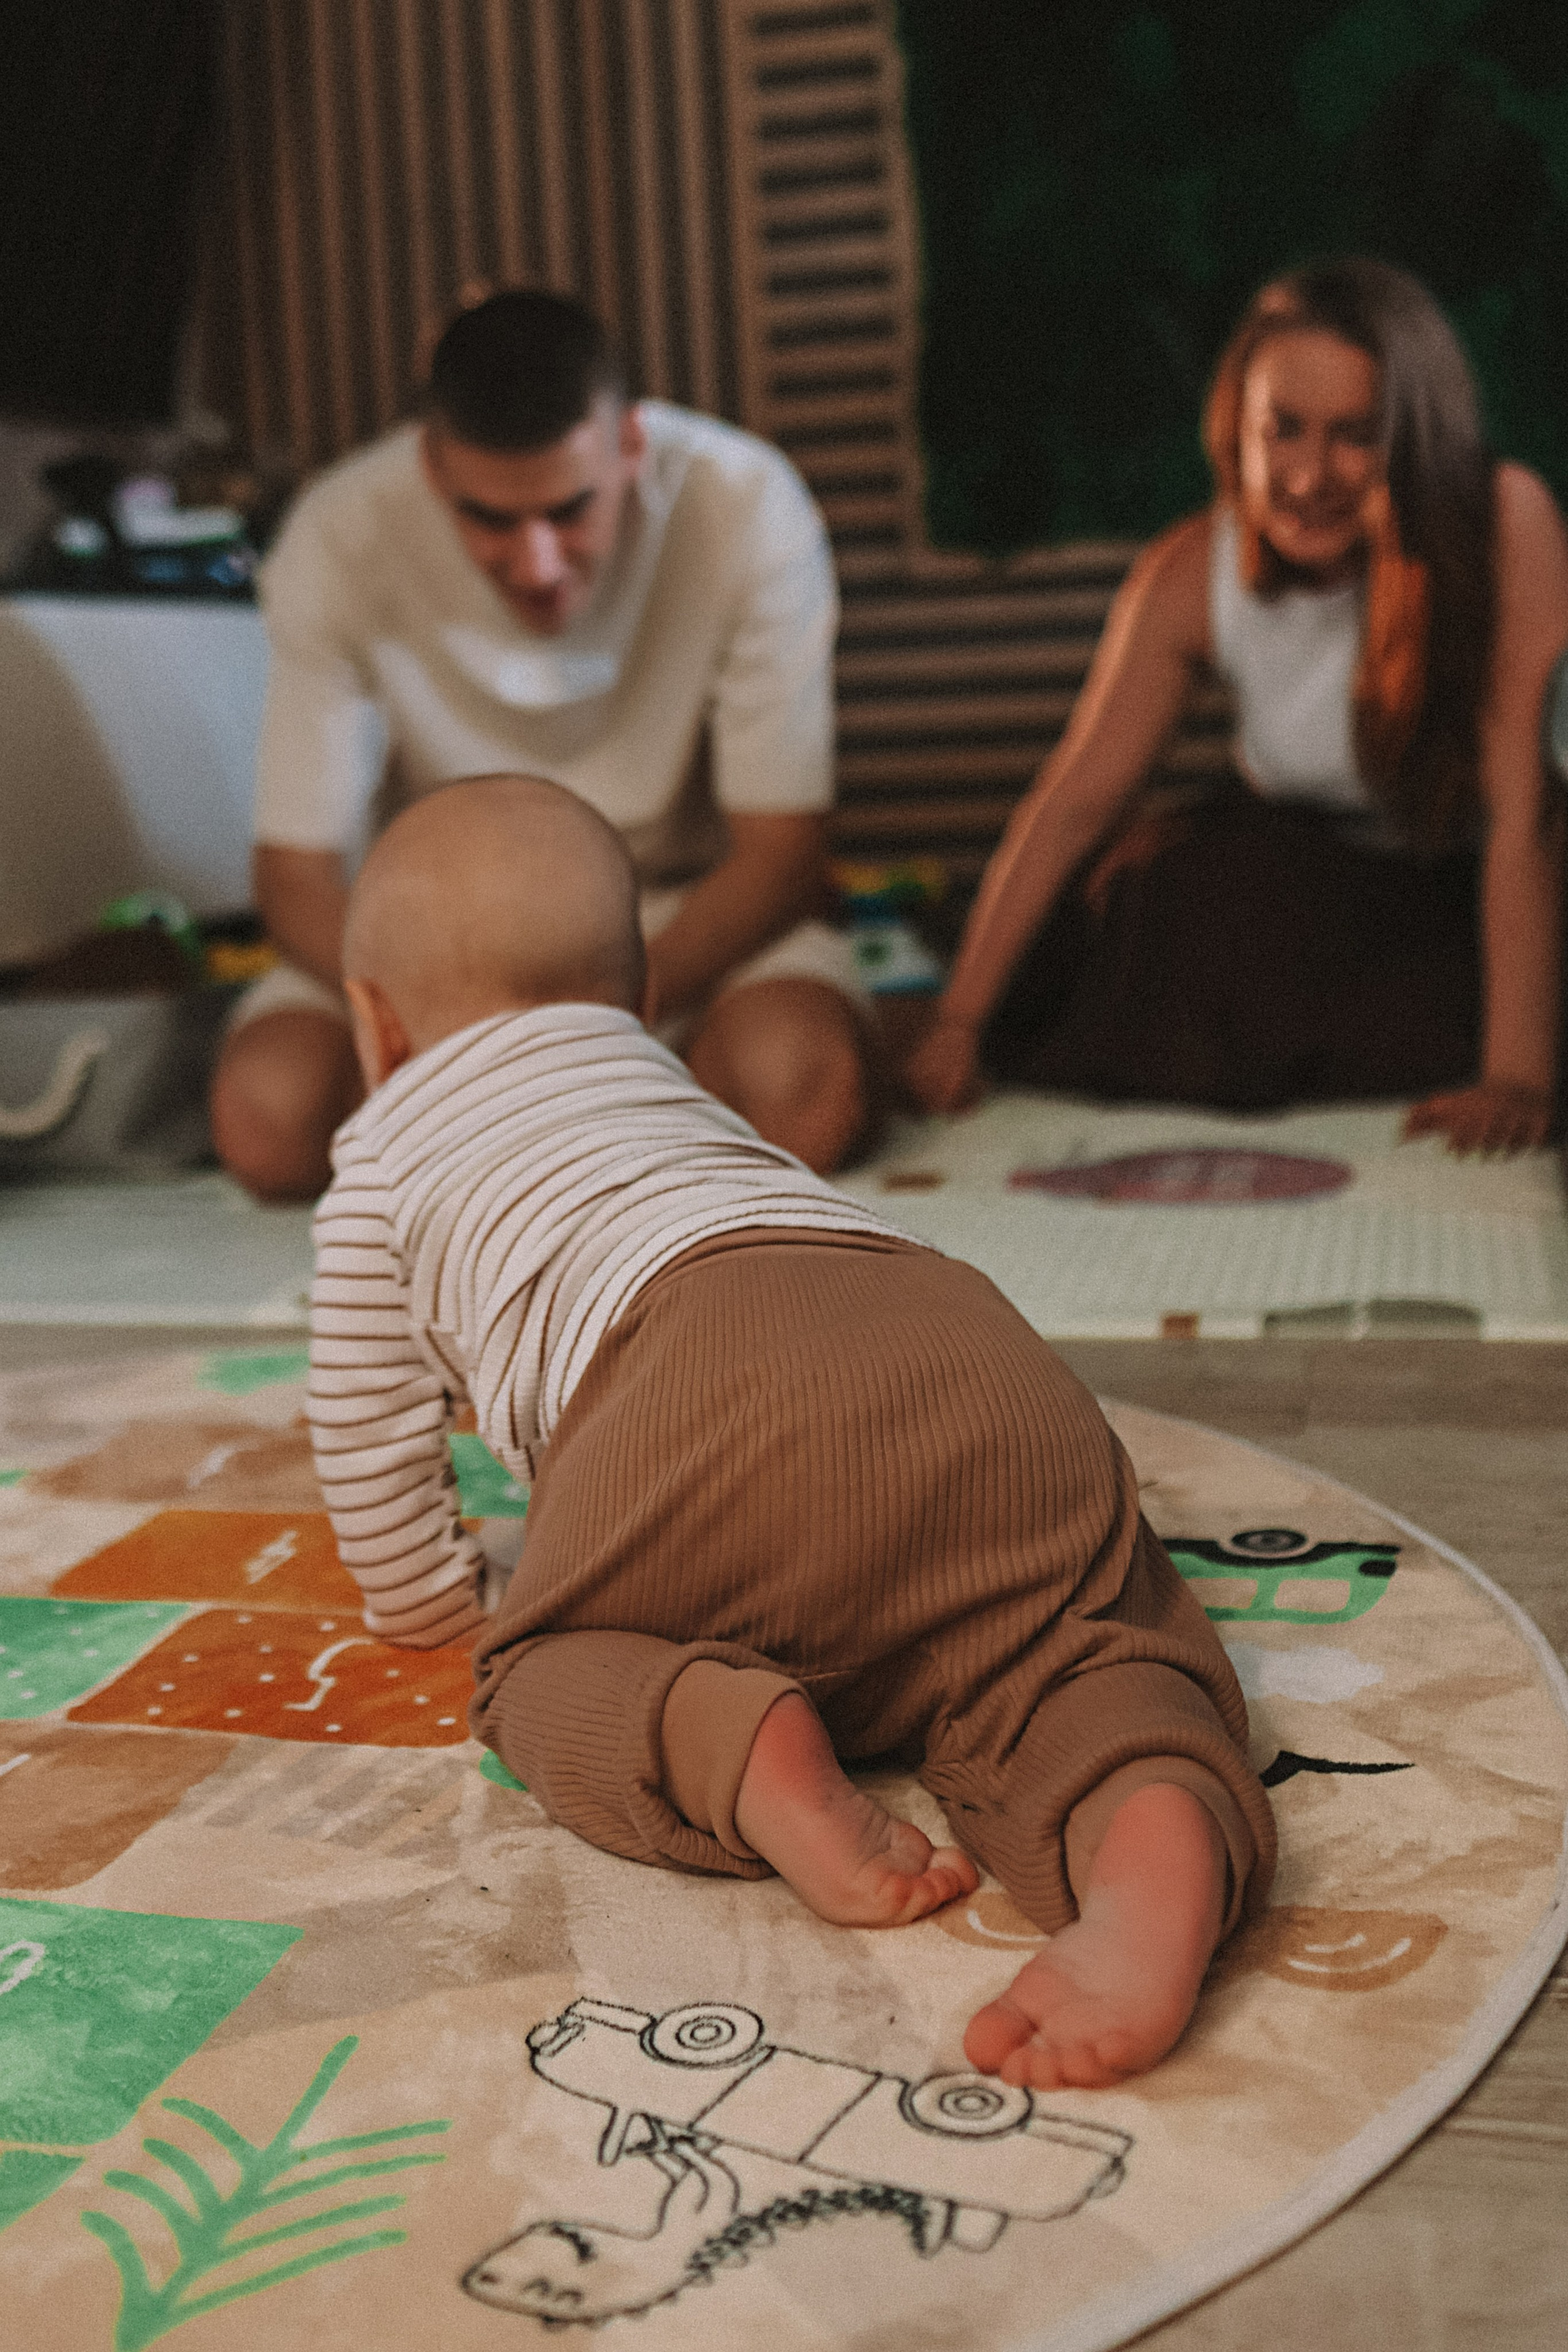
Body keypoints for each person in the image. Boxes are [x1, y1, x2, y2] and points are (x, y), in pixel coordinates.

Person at [307, 773, 1275, 2091]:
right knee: (1058, 1639)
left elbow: (363, 1428)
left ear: (373, 1023)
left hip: (683, 1386)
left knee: (533, 1674)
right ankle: (1148, 1822)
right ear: (641, 999)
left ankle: (742, 1746)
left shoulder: (379, 1151)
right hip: (954, 1333)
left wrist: (423, 1599)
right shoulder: (667, 1081)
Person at [213, 288, 875, 1201]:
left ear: (631, 446)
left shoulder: (747, 500)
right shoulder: (336, 532)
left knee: (804, 1093)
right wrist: (452, 1025)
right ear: (434, 468)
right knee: (267, 1121)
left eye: (569, 510)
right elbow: (294, 877)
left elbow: (783, 852)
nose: (538, 565)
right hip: (431, 947)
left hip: (677, 926)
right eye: (490, 519)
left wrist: (591, 1023)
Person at [910, 258, 1568, 1155]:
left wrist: (1517, 1080)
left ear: (1415, 438)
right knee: (1147, 892)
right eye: (1283, 432)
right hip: (1301, 879)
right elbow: (1072, 805)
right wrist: (957, 1022)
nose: (1308, 476)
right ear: (1238, 432)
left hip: (1464, 887)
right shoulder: (1189, 569)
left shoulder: (1505, 518)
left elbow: (1523, 820)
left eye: (1354, 436)